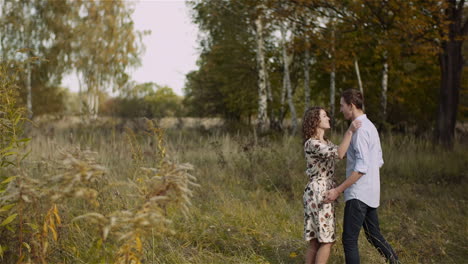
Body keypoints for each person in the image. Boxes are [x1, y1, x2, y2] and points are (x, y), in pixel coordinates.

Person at [324, 89, 399, 264]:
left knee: (349, 240)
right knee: (374, 236)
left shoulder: (360, 131)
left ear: (351, 106)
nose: (341, 109)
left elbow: (361, 168)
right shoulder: (370, 126)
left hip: (358, 193)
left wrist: (338, 190)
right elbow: (378, 161)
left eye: (342, 106)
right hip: (371, 192)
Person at [302, 106, 361, 264]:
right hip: (319, 192)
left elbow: (343, 151)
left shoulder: (325, 142)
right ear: (315, 121)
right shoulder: (312, 143)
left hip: (319, 190)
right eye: (324, 116)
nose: (328, 118)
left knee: (316, 241)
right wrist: (349, 132)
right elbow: (340, 154)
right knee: (326, 241)